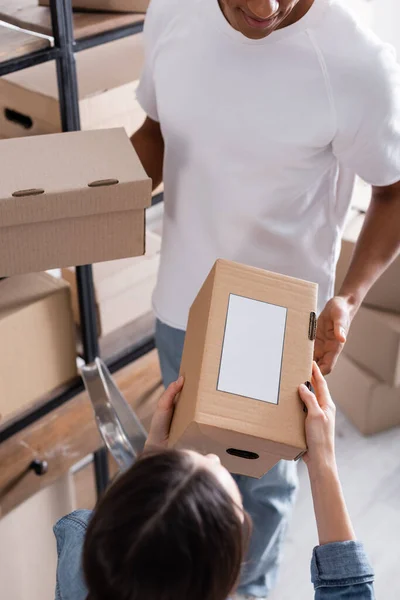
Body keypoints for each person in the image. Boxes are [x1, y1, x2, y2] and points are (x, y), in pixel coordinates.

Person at [130, 0, 400, 596]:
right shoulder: (171, 14)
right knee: (183, 495)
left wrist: (349, 299)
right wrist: (90, 206)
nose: (267, 7)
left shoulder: (356, 63)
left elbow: (393, 192)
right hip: (180, 308)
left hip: (274, 331)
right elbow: (156, 132)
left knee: (257, 506)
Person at [54, 363, 374, 600]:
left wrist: (152, 459)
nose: (216, 457)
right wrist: (324, 464)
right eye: (237, 509)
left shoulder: (79, 555)